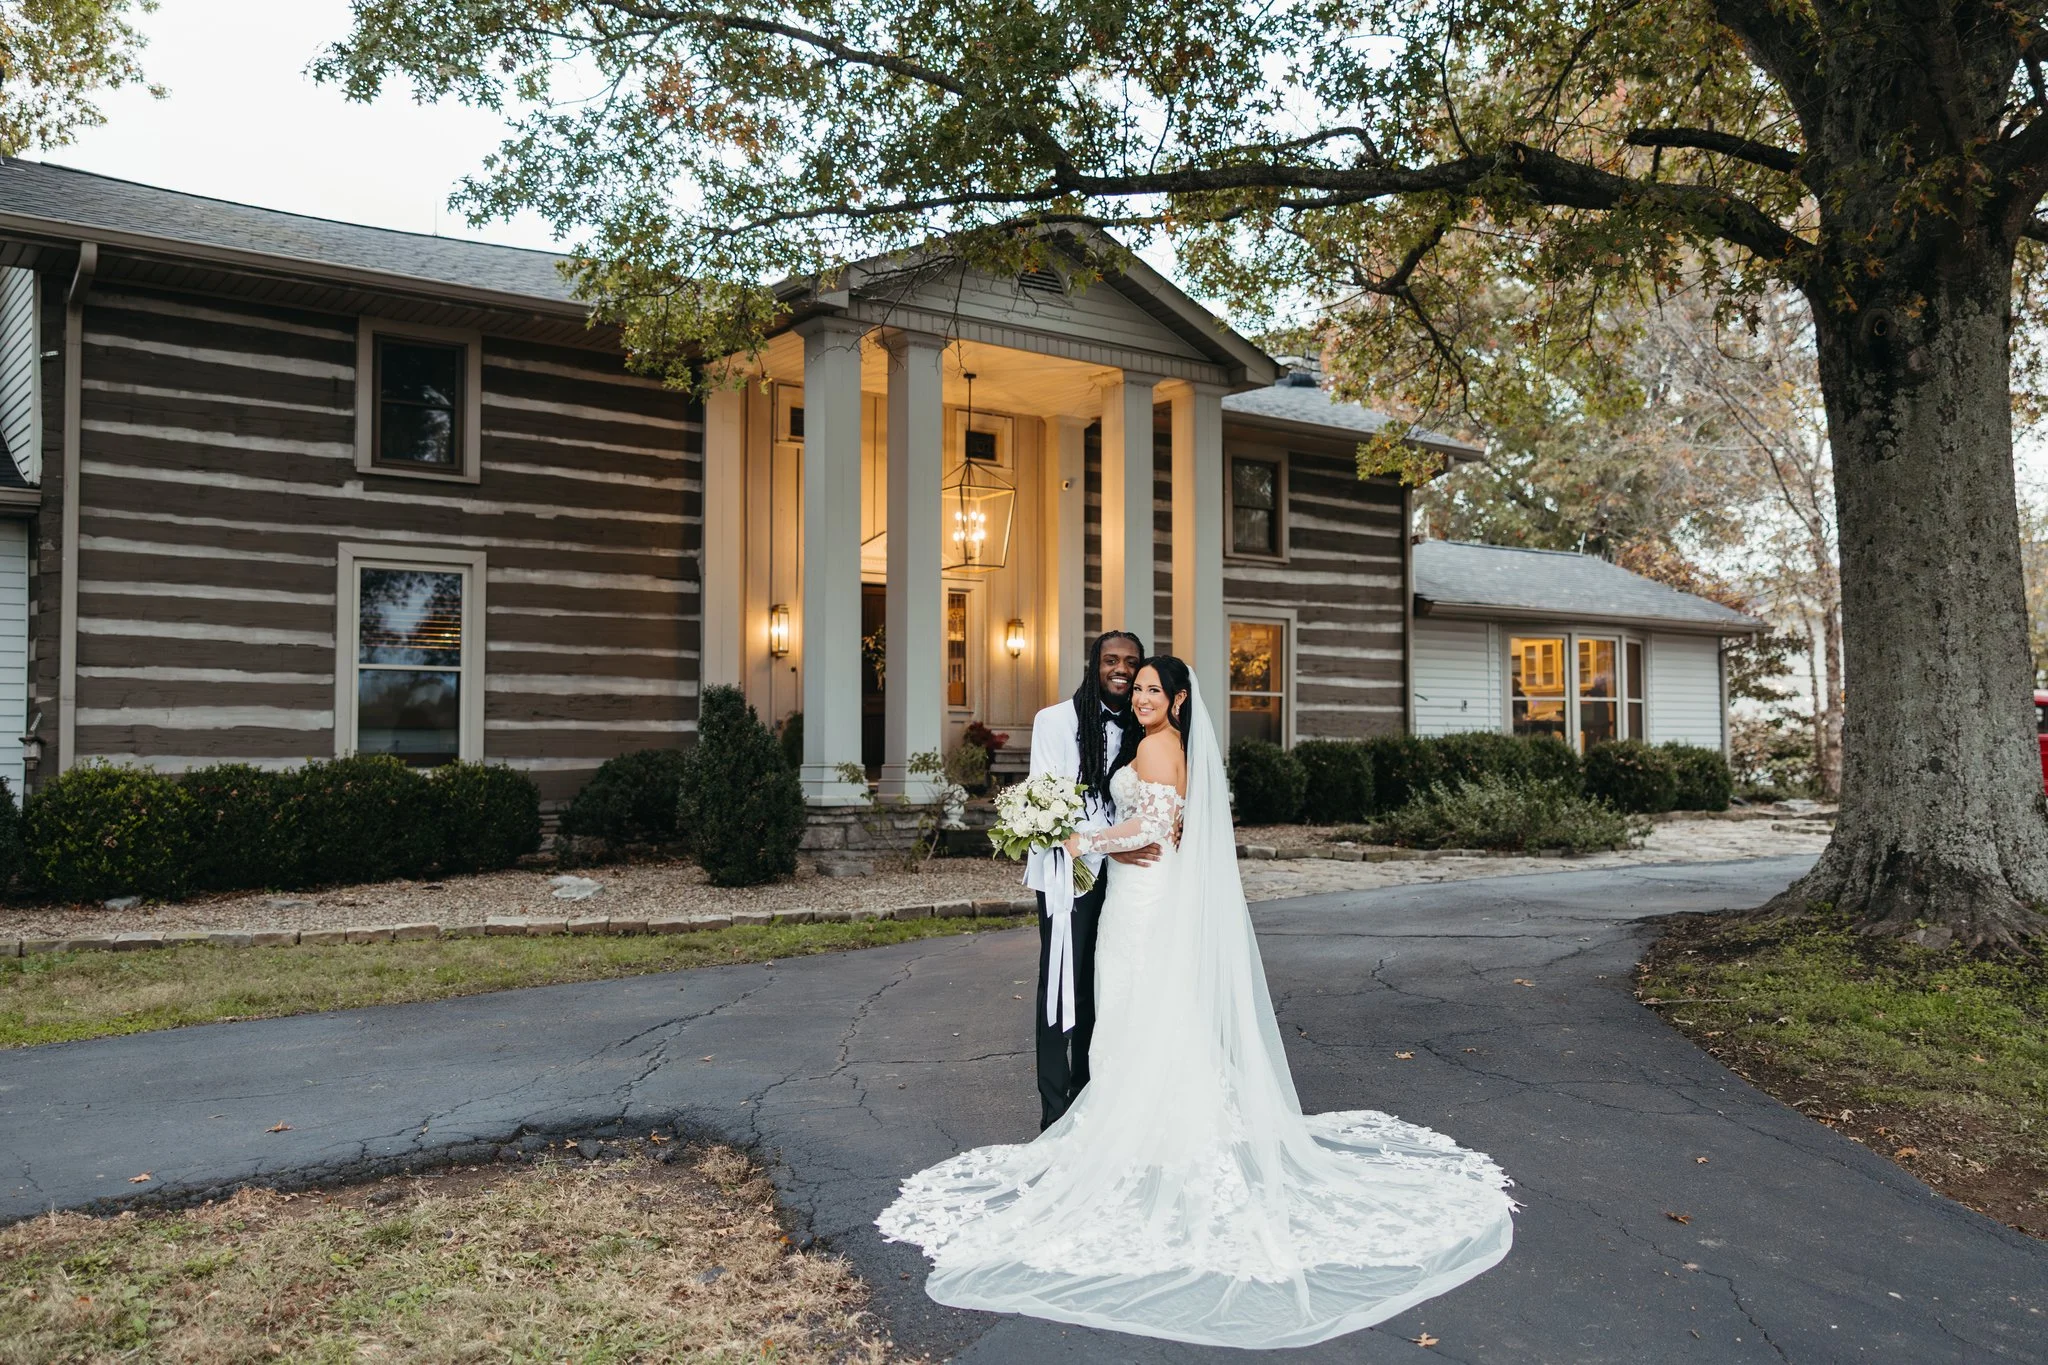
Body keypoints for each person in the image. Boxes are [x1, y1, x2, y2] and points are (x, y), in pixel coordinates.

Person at [879, 657, 1515, 1349]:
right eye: (1140, 687)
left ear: (1178, 699)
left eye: (1155, 688)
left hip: (1145, 902)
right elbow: (1164, 826)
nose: (1143, 695)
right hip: (1141, 893)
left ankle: (1150, 1129)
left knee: (1134, 1002)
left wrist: (1080, 838)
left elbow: (1150, 831)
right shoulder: (1160, 744)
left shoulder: (1155, 743)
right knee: (1145, 1006)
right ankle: (1153, 1118)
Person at [1020, 629, 1157, 1130]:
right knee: (1061, 986)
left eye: (1131, 662)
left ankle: (1091, 1103)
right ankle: (1054, 1115)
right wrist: (1098, 847)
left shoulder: (1145, 726)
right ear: (1094, 664)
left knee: (1105, 986)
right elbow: (1044, 802)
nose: (1121, 669)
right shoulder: (1054, 721)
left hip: (1123, 878)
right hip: (1068, 874)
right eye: (1111, 660)